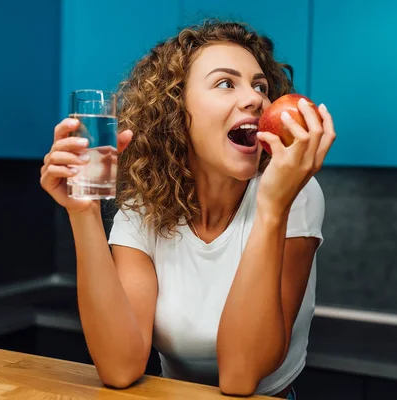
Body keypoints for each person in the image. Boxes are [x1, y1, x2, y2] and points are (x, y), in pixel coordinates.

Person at [40, 20, 335, 399]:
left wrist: (274, 208)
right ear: (175, 109)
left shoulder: (295, 191)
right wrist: (83, 213)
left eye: (259, 86)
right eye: (226, 83)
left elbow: (240, 377)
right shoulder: (146, 203)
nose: (255, 99)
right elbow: (119, 366)